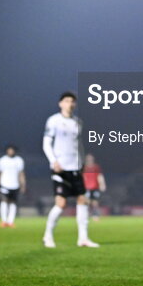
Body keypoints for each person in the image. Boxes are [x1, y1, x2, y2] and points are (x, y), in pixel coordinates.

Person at [42, 92, 99, 248]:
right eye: (67, 101)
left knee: (83, 200)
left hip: (76, 168)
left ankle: (83, 239)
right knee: (61, 203)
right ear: (60, 103)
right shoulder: (54, 121)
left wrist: (82, 163)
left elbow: (78, 145)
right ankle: (48, 236)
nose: (70, 104)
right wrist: (53, 161)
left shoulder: (78, 122)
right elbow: (46, 143)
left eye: (73, 101)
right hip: (60, 168)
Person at [0, 145, 26, 227]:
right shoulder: (2, 160)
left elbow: (21, 174)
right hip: (5, 184)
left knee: (13, 202)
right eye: (9, 150)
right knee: (4, 200)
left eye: (12, 150)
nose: (11, 152)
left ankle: (10, 221)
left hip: (15, 185)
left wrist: (23, 185)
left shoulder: (19, 160)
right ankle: (4, 221)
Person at [82, 153, 107, 220]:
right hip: (86, 187)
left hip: (95, 187)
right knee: (87, 201)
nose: (90, 160)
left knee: (95, 202)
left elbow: (99, 176)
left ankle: (95, 215)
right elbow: (82, 177)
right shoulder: (84, 168)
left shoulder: (96, 167)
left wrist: (102, 184)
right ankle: (86, 215)